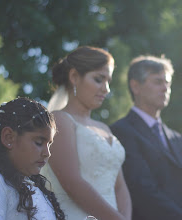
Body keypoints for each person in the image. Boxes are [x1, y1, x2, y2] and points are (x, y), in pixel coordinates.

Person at [110, 55, 182, 220]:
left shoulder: (176, 137)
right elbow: (142, 190)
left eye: (168, 83)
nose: (165, 88)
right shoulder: (122, 131)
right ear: (135, 86)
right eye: (158, 82)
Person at [41, 46, 132, 220]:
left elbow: (120, 187)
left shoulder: (105, 129)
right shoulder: (59, 120)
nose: (106, 89)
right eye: (99, 79)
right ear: (74, 76)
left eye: (108, 82)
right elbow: (72, 183)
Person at [0, 97, 65, 220]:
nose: (47, 153)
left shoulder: (36, 189)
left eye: (49, 144)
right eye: (39, 142)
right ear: (8, 138)